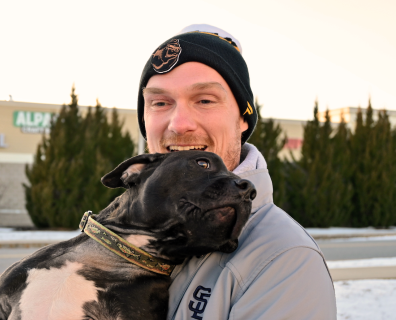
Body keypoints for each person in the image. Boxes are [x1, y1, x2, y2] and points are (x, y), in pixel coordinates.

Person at [137, 24, 337, 320]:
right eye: (160, 102)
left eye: (204, 100)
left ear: (243, 118)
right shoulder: (116, 239)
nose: (179, 125)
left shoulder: (284, 260)